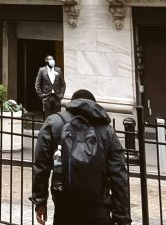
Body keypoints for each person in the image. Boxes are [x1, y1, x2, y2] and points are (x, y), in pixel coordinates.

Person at [31, 88, 131, 225]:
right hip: (99, 207)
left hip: (64, 206)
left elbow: (41, 165)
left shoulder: (54, 123)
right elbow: (119, 175)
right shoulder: (107, 130)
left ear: (72, 103)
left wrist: (40, 201)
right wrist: (122, 216)